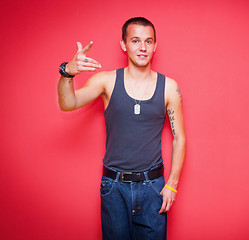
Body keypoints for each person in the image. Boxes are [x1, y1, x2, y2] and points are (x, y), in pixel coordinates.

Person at [57, 17, 186, 240]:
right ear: (123, 45)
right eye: (135, 41)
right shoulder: (106, 81)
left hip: (153, 187)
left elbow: (179, 137)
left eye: (148, 41)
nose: (143, 47)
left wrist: (172, 186)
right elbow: (67, 104)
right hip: (113, 187)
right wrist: (67, 72)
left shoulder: (169, 87)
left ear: (155, 45)